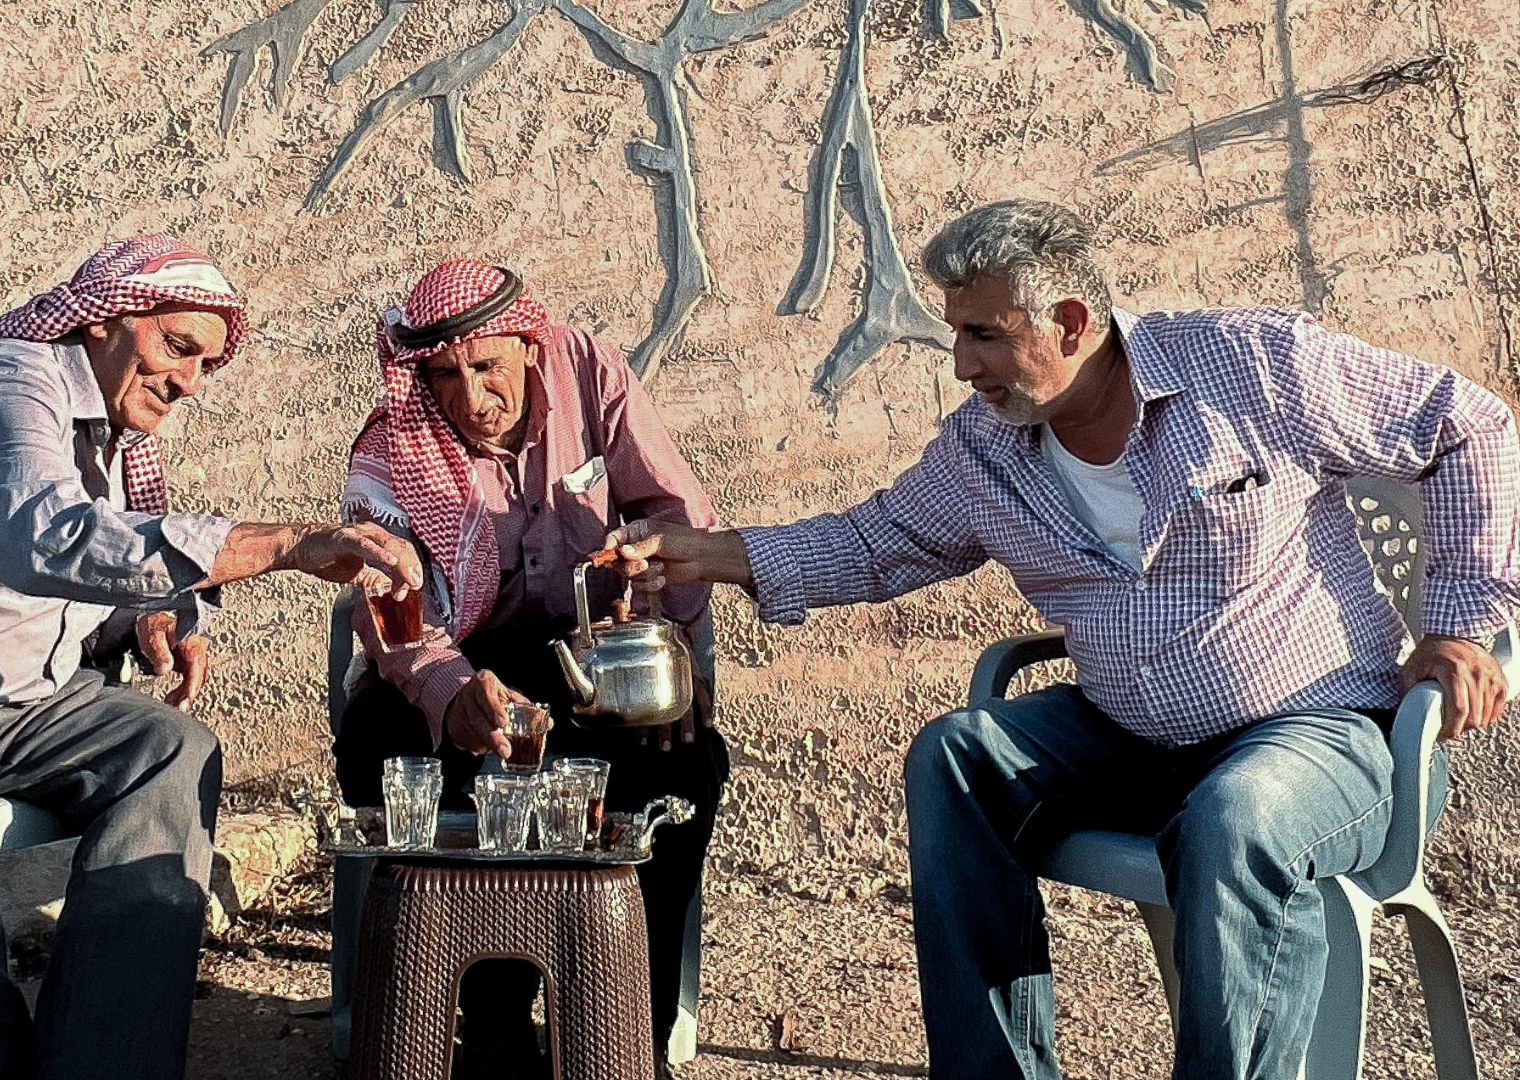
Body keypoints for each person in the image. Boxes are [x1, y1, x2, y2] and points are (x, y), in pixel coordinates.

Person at [605, 200, 1519, 1080]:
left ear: (1073, 321)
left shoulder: (1255, 364)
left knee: (1237, 817)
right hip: (1129, 738)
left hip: (1318, 734)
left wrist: (1460, 623)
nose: (962, 365)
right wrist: (705, 556)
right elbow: (875, 541)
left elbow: (1467, 425)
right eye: (958, 335)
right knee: (955, 758)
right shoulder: (985, 453)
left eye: (985, 335)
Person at [0, 236, 422, 1080]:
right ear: (104, 319)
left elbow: (65, 585)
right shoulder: (1, 389)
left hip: (13, 716)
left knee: (173, 749)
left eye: (206, 365)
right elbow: (48, 538)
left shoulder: (110, 442)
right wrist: (285, 542)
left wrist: (146, 621)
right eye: (178, 348)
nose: (189, 383)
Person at [332, 259, 728, 1073]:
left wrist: (678, 657)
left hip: (583, 654)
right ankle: (493, 1022)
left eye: (486, 368)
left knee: (683, 759)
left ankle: (626, 1032)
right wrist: (451, 691)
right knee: (386, 744)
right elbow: (393, 613)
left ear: (528, 347)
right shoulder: (391, 447)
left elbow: (674, 514)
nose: (469, 400)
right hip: (452, 661)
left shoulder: (591, 374)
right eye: (442, 376)